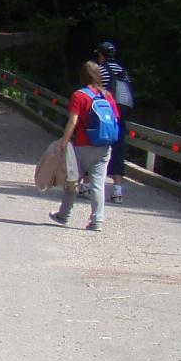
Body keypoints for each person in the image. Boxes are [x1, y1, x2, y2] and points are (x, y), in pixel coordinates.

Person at [50, 61, 119, 231]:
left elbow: (73, 121)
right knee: (98, 184)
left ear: (82, 76)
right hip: (103, 146)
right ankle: (97, 221)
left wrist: (63, 142)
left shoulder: (79, 95)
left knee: (73, 180)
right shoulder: (107, 96)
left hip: (82, 145)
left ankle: (64, 215)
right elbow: (115, 119)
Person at [96, 40, 134, 202]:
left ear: (101, 55)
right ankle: (117, 190)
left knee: (95, 146)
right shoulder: (123, 71)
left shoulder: (100, 70)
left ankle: (87, 185)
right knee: (118, 150)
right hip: (120, 116)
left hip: (104, 114)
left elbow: (94, 91)